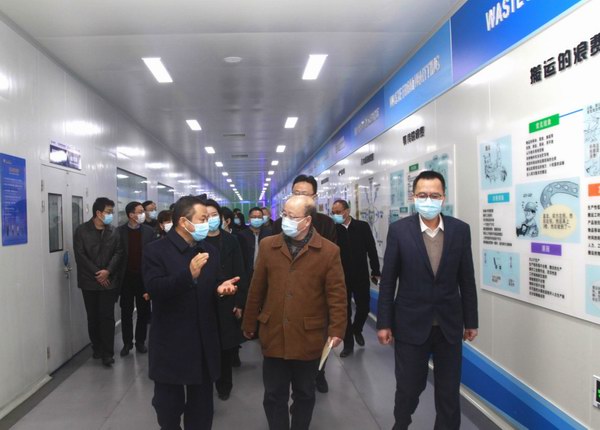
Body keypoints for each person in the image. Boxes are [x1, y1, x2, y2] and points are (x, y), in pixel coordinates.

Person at [376, 171, 478, 430]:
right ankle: (401, 423)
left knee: (448, 392)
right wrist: (384, 323)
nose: (428, 200)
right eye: (423, 195)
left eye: (434, 195)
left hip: (449, 325)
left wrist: (471, 321)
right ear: (413, 197)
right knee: (409, 387)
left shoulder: (460, 230)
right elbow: (388, 281)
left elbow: (467, 279)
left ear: (443, 197)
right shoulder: (400, 231)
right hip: (410, 324)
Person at [242, 195, 347, 430]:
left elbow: (337, 295)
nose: (286, 220)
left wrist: (337, 329)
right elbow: (256, 289)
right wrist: (249, 323)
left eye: (292, 216)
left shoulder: (329, 251)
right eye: (284, 214)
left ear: (307, 220)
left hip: (308, 336)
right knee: (273, 395)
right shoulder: (268, 246)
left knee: (305, 394)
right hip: (274, 334)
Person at [143, 196, 239, 429]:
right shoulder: (156, 251)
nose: (208, 223)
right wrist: (188, 275)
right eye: (203, 219)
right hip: (170, 341)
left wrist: (221, 289)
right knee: (168, 407)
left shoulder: (208, 250)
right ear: (184, 222)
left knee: (202, 409)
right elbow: (154, 288)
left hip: (203, 340)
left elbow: (214, 282)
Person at [270, 174, 338, 393]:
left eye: (304, 193)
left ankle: (319, 374)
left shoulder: (326, 224)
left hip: (314, 294)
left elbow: (331, 265)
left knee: (316, 340)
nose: (299, 196)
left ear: (315, 197)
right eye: (295, 193)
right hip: (286, 291)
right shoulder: (279, 224)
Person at [204, 199, 248, 400]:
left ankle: (224, 384)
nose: (211, 219)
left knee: (226, 345)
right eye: (206, 216)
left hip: (227, 300)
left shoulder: (231, 241)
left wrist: (239, 302)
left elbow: (240, 271)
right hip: (204, 300)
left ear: (222, 218)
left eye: (214, 215)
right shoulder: (197, 242)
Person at [73, 197, 124, 367]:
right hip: (89, 282)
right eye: (108, 212)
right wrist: (98, 274)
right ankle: (97, 347)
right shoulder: (82, 231)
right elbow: (80, 255)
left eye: (112, 212)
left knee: (107, 317)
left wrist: (107, 272)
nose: (111, 215)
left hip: (109, 281)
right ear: (98, 213)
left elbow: (119, 252)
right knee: (93, 317)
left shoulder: (113, 231)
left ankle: (108, 353)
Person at [331, 199, 381, 358]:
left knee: (364, 307)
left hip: (360, 275)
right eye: (333, 212)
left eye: (338, 212)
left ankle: (357, 329)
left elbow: (371, 249)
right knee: (344, 311)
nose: (335, 215)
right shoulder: (333, 230)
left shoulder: (362, 227)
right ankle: (348, 344)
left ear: (347, 211)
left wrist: (375, 271)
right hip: (341, 277)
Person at [116, 201, 155, 357]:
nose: (143, 214)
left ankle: (140, 341)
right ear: (131, 215)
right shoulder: (119, 232)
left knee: (143, 311)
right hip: (126, 278)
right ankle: (127, 343)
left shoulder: (149, 232)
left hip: (143, 278)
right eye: (140, 212)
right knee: (126, 312)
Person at [239, 207, 273, 280]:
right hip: (247, 274)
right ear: (249, 219)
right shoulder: (241, 235)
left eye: (259, 217)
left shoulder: (269, 234)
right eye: (254, 217)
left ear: (262, 219)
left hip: (264, 273)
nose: (256, 219)